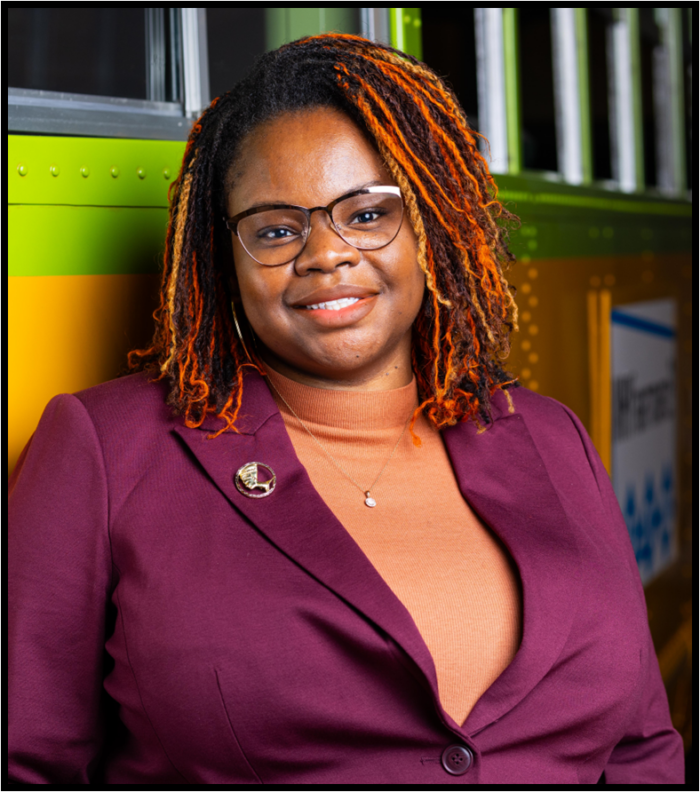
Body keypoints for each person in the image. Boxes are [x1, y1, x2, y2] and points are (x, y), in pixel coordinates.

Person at [8, 34, 683, 784]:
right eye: (275, 229)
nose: (325, 253)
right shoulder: (107, 452)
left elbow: (642, 750)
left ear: (435, 224)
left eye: (366, 214)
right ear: (220, 258)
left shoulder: (550, 435)